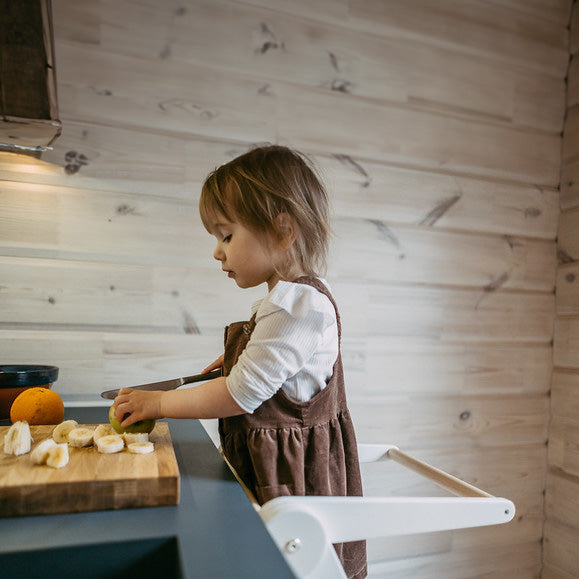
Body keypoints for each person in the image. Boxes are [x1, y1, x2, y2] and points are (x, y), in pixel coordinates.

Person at [112, 144, 367, 578]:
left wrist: (155, 404)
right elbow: (273, 369)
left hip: (290, 479)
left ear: (283, 230)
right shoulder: (288, 300)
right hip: (275, 465)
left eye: (226, 235)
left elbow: (242, 393)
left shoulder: (294, 305)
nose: (217, 251)